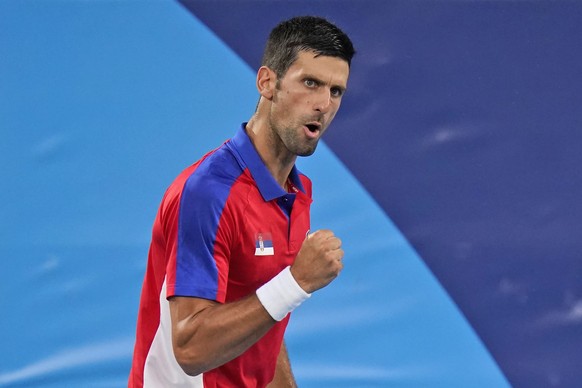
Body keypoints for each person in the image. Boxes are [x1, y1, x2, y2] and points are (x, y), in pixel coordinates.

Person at [129, 15, 355, 388]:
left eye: (336, 91)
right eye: (310, 83)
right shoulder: (209, 193)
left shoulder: (294, 194)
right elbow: (190, 350)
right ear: (267, 82)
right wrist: (296, 282)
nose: (323, 104)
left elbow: (263, 321)